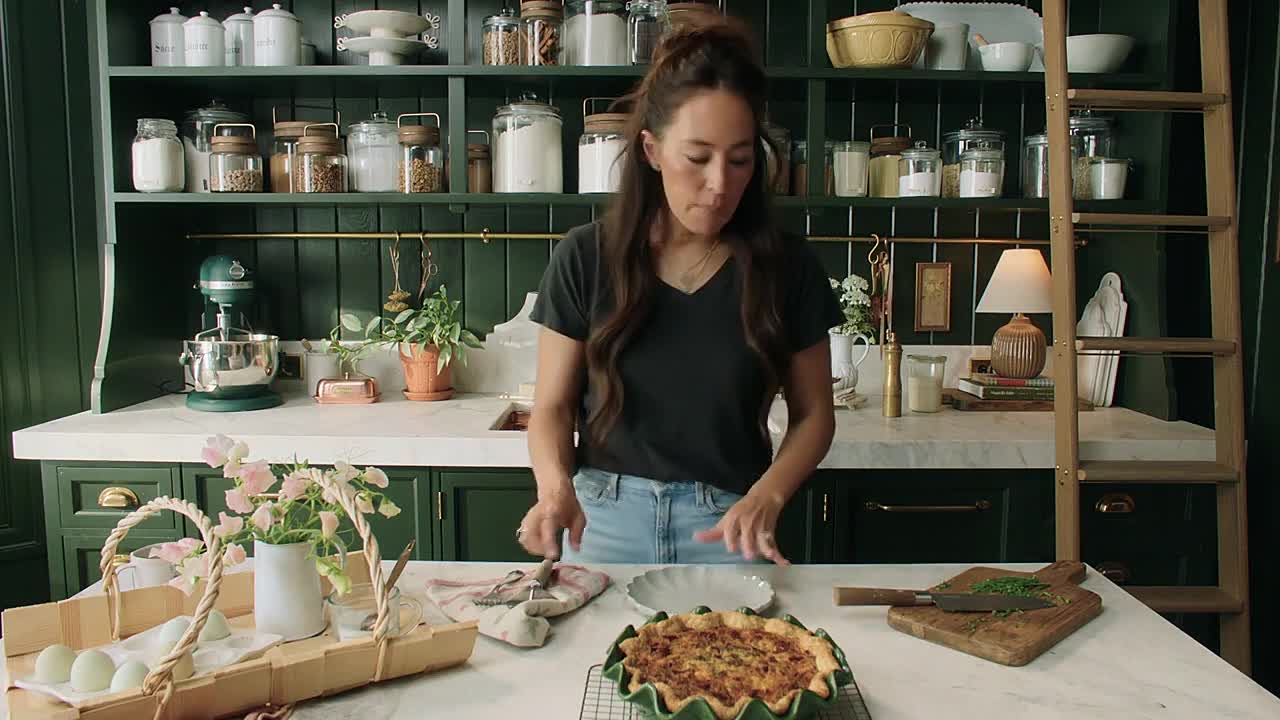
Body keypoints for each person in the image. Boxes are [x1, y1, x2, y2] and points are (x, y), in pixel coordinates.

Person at [516, 19, 843, 566]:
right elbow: (552, 406)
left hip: (728, 526)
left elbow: (815, 415)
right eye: (697, 157)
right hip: (599, 522)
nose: (719, 184)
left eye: (740, 160)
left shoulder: (789, 267)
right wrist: (554, 490)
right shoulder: (585, 256)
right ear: (651, 149)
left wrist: (768, 496)